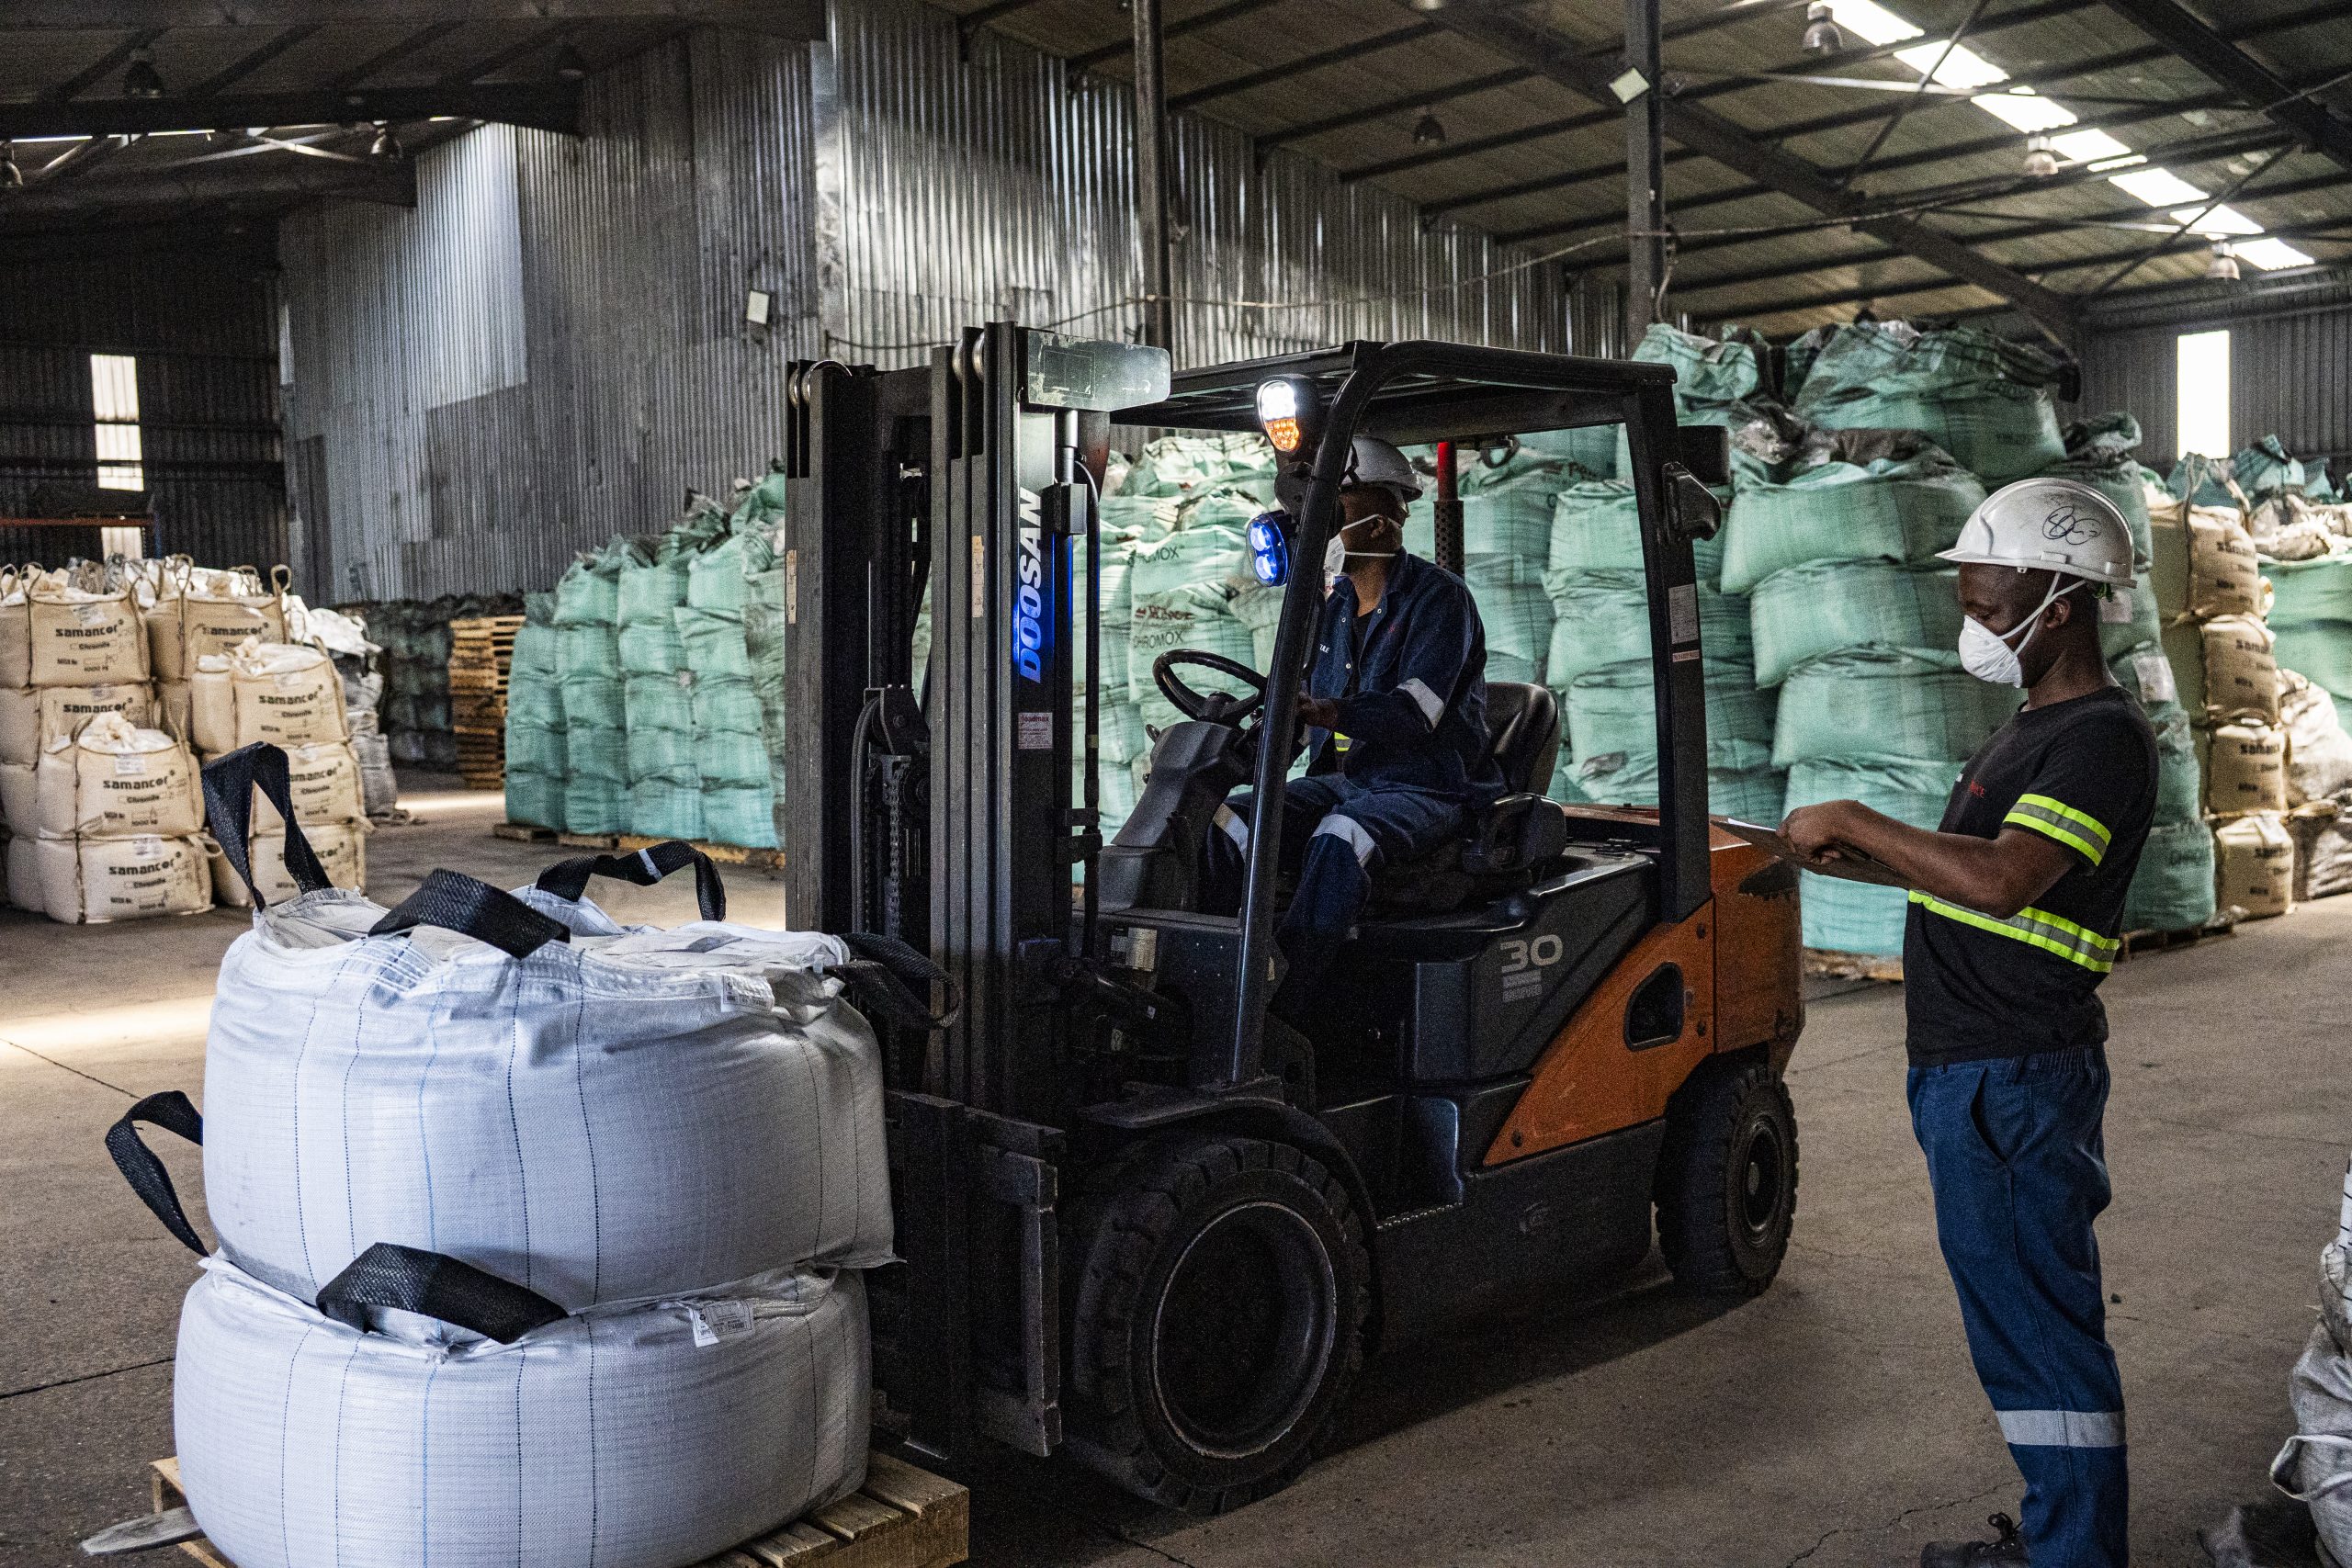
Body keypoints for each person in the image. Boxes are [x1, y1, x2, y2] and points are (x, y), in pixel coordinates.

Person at [1781, 478, 2154, 1568]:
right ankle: (2059, 1539)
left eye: (1991, 608)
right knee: (2017, 1326)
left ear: (2061, 605)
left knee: (2038, 1333)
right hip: (1976, 1071)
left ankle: (2073, 1556)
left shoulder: (2097, 738)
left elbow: (2003, 880)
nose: (1975, 627)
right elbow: (1973, 882)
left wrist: (1860, 819)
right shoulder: (2029, 731)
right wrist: (1869, 861)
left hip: (2011, 1076)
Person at [1203, 435, 1502, 1006]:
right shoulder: (1332, 605)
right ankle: (1217, 976)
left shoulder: (1440, 601)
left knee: (1344, 834)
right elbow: (1302, 709)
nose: (1314, 527)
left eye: (1332, 512)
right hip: (1350, 780)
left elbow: (1415, 713)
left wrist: (1330, 711)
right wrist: (1227, 757)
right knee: (1230, 820)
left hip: (1429, 786)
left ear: (1381, 523)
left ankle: (1289, 1000)